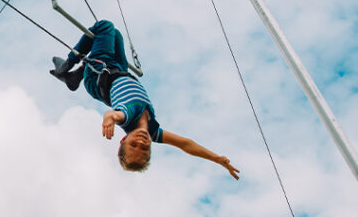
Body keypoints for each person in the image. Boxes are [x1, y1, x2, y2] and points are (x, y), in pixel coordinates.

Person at [50, 20, 240, 179]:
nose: (141, 141)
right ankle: (75, 77)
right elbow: (186, 144)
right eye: (145, 148)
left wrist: (108, 118)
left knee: (104, 27)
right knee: (115, 34)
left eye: (133, 145)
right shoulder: (154, 131)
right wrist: (216, 158)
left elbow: (114, 115)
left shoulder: (127, 117)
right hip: (119, 70)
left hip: (99, 76)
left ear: (123, 139)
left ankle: (67, 66)